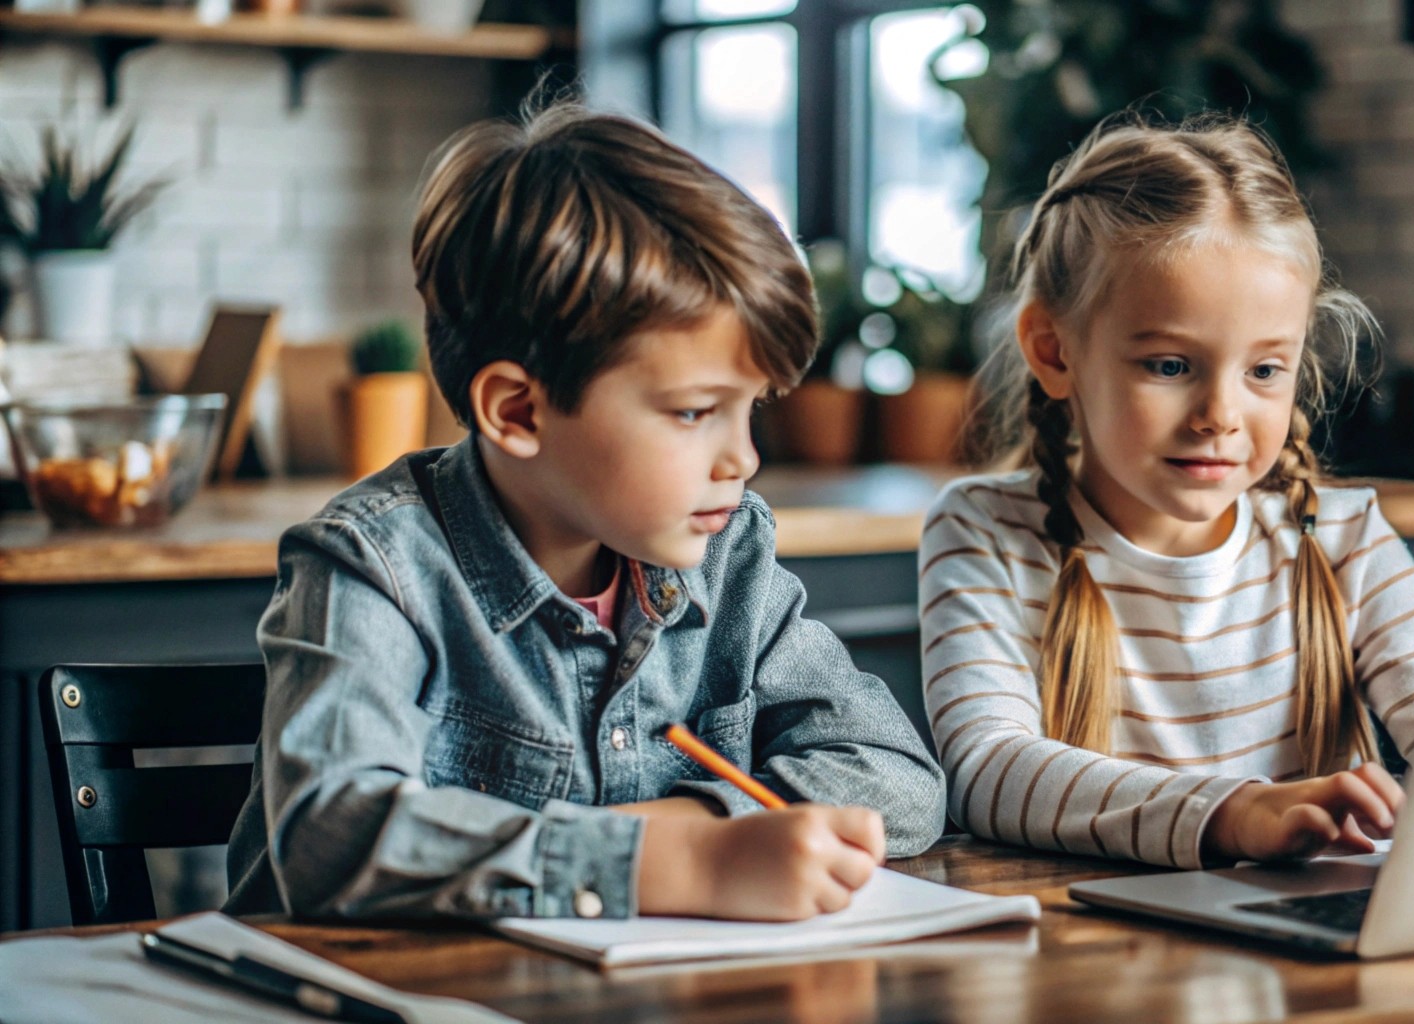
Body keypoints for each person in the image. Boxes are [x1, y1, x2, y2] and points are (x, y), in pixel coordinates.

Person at [226, 102, 945, 922]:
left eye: (753, 407)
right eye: (692, 411)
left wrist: (698, 826)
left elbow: (898, 778)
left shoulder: (727, 552)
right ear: (520, 412)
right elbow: (332, 836)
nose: (742, 459)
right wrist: (669, 864)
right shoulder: (373, 566)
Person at [920, 114, 1414, 869]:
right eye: (1171, 366)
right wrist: (1231, 813)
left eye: (1264, 370)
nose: (1220, 418)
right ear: (1053, 349)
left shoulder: (1345, 537)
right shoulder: (984, 533)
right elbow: (987, 772)